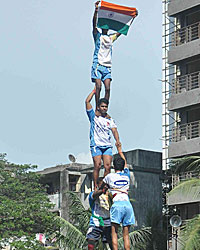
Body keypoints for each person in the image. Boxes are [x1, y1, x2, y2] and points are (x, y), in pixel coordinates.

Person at [85, 88, 121, 190]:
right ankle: (95, 185)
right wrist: (94, 91)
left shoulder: (109, 119)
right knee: (97, 165)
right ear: (98, 107)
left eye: (106, 107)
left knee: (108, 166)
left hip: (107, 145)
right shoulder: (93, 116)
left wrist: (117, 140)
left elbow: (114, 130)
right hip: (96, 144)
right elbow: (87, 101)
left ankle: (104, 184)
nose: (104, 108)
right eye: (102, 106)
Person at [102, 147, 135, 250]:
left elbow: (102, 186)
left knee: (114, 232)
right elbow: (125, 163)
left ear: (113, 166)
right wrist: (120, 150)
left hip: (117, 205)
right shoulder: (126, 175)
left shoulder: (110, 176)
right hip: (128, 205)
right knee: (126, 235)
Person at [91, 1, 121, 109]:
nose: (105, 28)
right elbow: (93, 24)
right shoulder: (98, 36)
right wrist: (96, 11)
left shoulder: (110, 38)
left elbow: (121, 30)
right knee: (98, 86)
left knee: (107, 88)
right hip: (98, 64)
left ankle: (105, 107)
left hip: (107, 66)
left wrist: (131, 18)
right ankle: (97, 106)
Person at [86, 177, 113, 250]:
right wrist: (102, 190)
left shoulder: (109, 195)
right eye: (102, 185)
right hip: (96, 222)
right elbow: (94, 195)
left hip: (108, 222)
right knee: (91, 239)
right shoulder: (93, 194)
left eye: (105, 185)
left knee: (110, 242)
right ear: (97, 185)